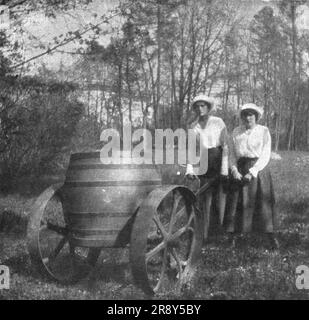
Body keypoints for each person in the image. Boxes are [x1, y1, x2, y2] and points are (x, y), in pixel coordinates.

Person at [225, 103, 279, 249]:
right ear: (241, 117)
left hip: (258, 170)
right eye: (245, 115)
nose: (248, 118)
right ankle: (233, 237)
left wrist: (253, 172)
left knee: (263, 203)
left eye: (251, 115)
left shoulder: (263, 131)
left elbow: (266, 154)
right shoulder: (236, 132)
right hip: (240, 168)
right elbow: (231, 155)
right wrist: (234, 170)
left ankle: (270, 238)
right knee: (236, 202)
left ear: (256, 116)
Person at [186, 94, 229, 244]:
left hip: (217, 159)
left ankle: (217, 234)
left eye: (203, 105)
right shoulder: (193, 126)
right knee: (203, 198)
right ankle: (201, 235)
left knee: (219, 198)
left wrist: (224, 168)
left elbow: (225, 145)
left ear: (209, 107)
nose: (200, 108)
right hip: (202, 161)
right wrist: (190, 169)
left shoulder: (218, 122)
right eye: (197, 106)